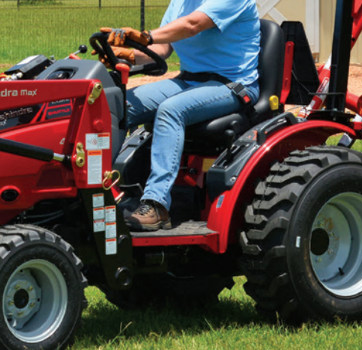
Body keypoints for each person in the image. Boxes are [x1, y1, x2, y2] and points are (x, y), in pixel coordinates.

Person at [101, 0, 261, 231]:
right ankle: (93, 190)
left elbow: (192, 24)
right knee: (118, 103)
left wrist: (146, 37)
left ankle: (156, 205)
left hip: (231, 85)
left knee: (172, 110)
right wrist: (126, 56)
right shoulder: (181, 2)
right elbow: (162, 49)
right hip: (188, 81)